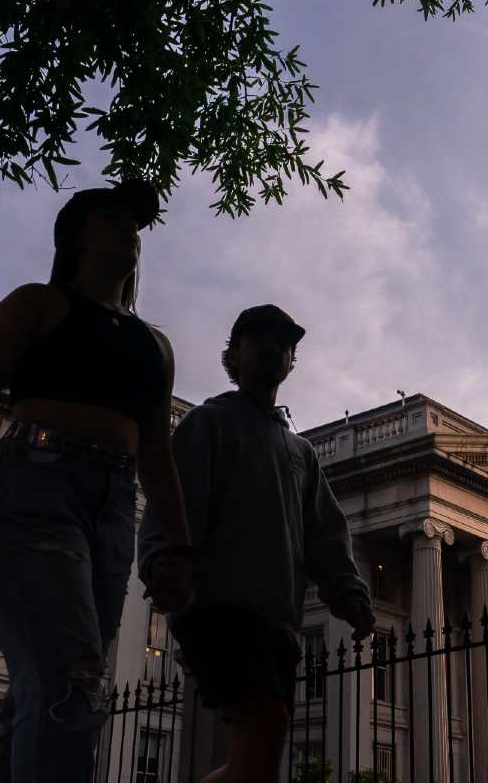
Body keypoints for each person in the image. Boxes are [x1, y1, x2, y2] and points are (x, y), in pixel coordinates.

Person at [0, 181, 195, 783]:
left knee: (47, 691)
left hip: (113, 505)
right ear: (76, 235)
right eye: (112, 217)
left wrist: (177, 547)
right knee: (70, 678)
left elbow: (157, 452)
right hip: (31, 489)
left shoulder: (156, 345)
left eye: (136, 223)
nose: (130, 229)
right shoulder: (35, 305)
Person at [139, 304, 374, 783]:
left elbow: (325, 534)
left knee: (260, 757)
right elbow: (174, 501)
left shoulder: (300, 452)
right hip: (219, 608)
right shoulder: (208, 424)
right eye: (259, 340)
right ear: (233, 355)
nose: (274, 350)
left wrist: (348, 591)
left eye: (284, 345)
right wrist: (166, 561)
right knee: (268, 725)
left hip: (277, 622)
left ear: (292, 362)